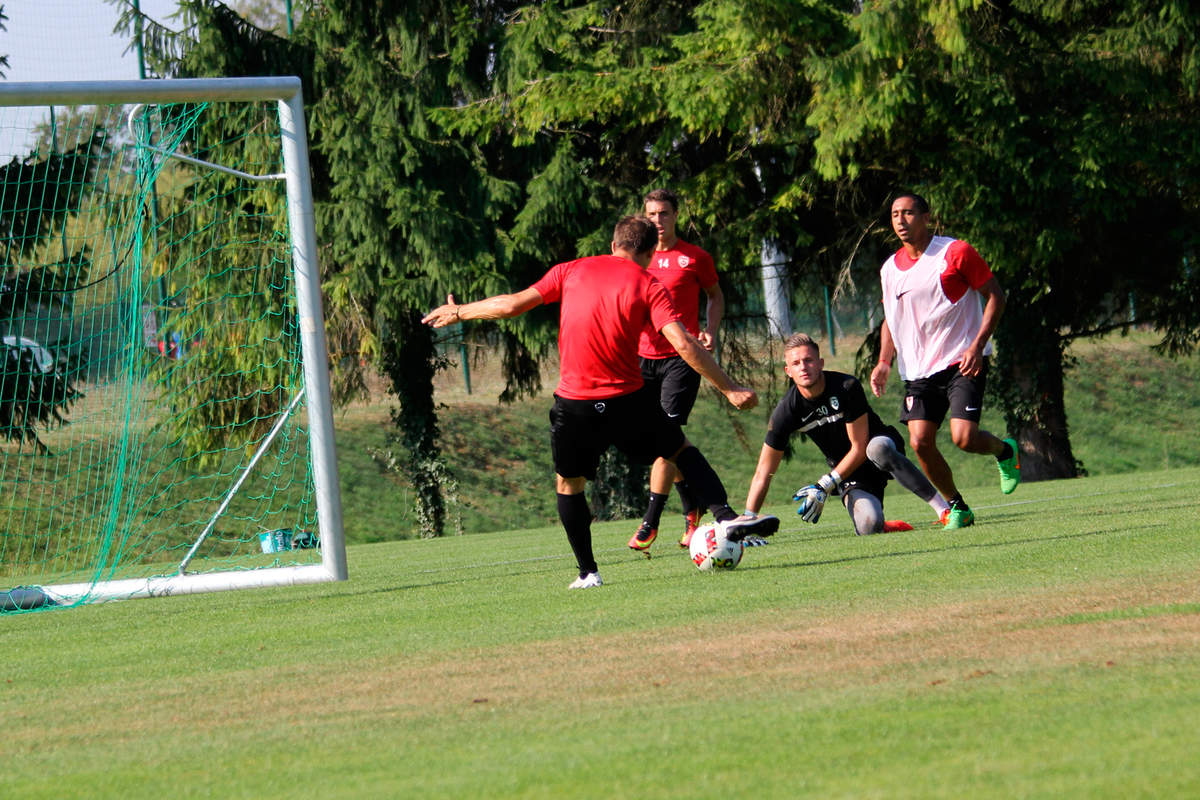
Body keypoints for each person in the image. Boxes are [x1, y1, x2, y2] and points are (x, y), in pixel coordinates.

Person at [422, 216, 779, 589]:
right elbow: (684, 343)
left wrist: (460, 311)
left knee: (568, 484)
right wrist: (730, 388)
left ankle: (588, 572)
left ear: (613, 245)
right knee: (678, 448)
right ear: (648, 253)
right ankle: (724, 516)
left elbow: (511, 305)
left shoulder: (569, 270)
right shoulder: (648, 282)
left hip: (575, 403)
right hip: (627, 399)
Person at [869, 192, 1021, 530]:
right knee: (920, 442)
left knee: (964, 438)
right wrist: (883, 361)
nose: (900, 220)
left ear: (926, 217)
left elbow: (996, 295)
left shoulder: (955, 252)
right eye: (894, 214)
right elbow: (891, 318)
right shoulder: (889, 269)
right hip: (919, 372)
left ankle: (1005, 452)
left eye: (908, 213)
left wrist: (978, 344)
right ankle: (957, 507)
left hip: (962, 360)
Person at [742, 333, 950, 535]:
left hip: (877, 448)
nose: (803, 367)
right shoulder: (787, 411)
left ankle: (944, 510)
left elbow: (859, 448)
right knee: (869, 524)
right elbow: (763, 471)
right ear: (788, 371)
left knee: (877, 449)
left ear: (821, 362)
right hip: (848, 472)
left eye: (808, 360)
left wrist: (826, 484)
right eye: (796, 363)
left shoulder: (846, 387)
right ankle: (884, 524)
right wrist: (749, 522)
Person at [628, 188, 725, 555]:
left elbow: (716, 295)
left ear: (675, 216)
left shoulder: (694, 257)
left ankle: (650, 521)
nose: (657, 221)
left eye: (664, 214)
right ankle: (692, 503)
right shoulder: (637, 260)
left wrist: (710, 330)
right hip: (640, 359)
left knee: (664, 439)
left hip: (682, 359)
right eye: (651, 214)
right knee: (656, 441)